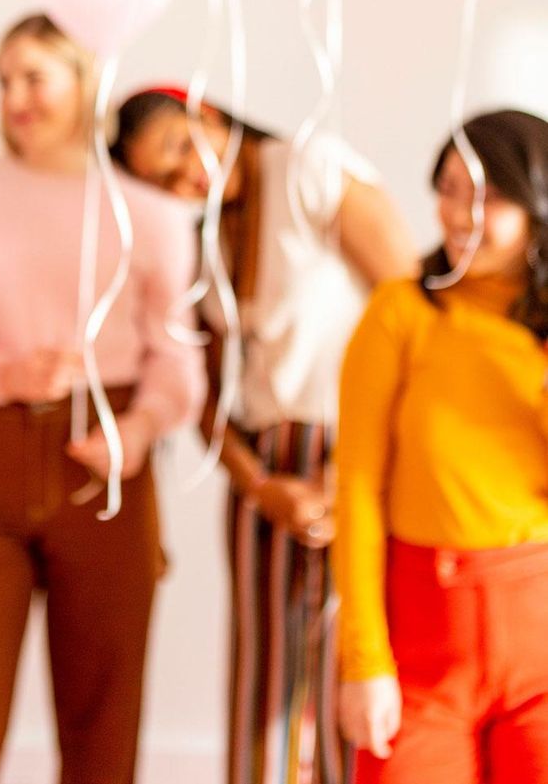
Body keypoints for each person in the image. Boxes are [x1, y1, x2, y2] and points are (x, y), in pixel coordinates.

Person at [0, 16, 206, 784]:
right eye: (3, 77)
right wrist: (1, 378)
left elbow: (179, 357)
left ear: (84, 81)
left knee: (103, 729)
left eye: (34, 76)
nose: (14, 95)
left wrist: (139, 431)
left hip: (107, 471)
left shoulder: (151, 214)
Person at [111, 87, 417, 784]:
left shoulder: (308, 166)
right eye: (163, 179)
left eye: (183, 147)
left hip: (357, 451)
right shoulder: (205, 237)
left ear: (211, 117)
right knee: (266, 682)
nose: (186, 176)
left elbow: (411, 314)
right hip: (264, 478)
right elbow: (208, 389)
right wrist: (256, 483)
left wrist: (345, 478)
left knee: (355, 668)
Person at [336, 109, 548, 783]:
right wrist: (365, 661)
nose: (459, 214)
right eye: (449, 188)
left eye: (484, 195)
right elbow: (358, 490)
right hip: (423, 645)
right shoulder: (402, 313)